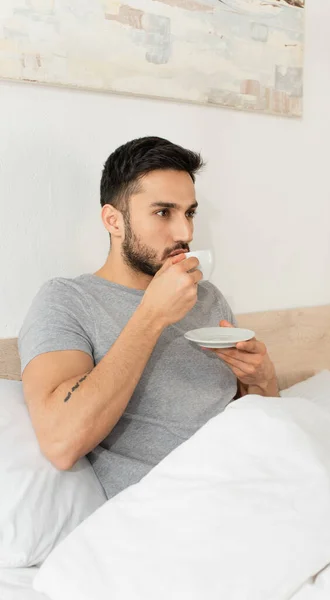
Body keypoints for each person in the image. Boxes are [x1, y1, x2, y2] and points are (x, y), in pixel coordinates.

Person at [19, 136, 279, 498]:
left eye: (189, 213)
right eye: (163, 212)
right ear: (113, 220)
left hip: (255, 480)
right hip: (174, 506)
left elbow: (254, 418)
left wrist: (263, 381)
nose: (185, 233)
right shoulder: (66, 301)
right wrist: (151, 316)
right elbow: (61, 441)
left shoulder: (206, 297)